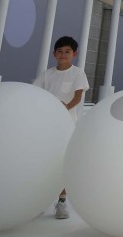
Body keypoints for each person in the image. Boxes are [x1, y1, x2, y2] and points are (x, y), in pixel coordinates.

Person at [34, 35, 90, 220]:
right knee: (43, 161)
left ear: (74, 54)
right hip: (46, 124)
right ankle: (39, 201)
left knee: (62, 162)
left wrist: (65, 107)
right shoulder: (47, 74)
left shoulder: (77, 73)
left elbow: (78, 96)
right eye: (60, 51)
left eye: (67, 51)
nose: (63, 55)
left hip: (66, 124)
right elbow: (36, 93)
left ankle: (61, 202)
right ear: (54, 54)